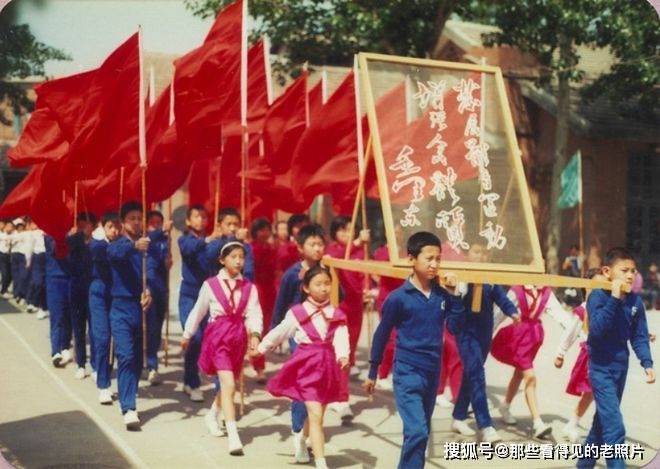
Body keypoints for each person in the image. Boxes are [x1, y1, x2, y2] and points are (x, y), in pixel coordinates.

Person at [364, 231, 463, 469]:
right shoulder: (398, 298)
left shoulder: (442, 295)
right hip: (407, 372)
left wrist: (455, 296)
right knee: (417, 431)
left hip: (432, 371)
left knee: (420, 433)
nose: (434, 264)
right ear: (411, 259)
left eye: (438, 259)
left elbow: (456, 327)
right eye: (428, 258)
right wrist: (373, 369)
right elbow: (382, 333)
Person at [257, 265, 350, 469]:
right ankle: (321, 461)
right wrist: (261, 347)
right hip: (306, 368)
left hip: (327, 367)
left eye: (327, 283)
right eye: (318, 284)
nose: (324, 288)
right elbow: (280, 331)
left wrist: (343, 355)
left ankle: (301, 437)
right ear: (306, 288)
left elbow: (342, 335)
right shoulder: (297, 313)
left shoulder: (336, 313)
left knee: (318, 412)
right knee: (316, 414)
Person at [577, 247, 655, 469]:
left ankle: (583, 465)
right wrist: (614, 299)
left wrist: (647, 363)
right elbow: (597, 331)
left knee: (602, 424)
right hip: (600, 369)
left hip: (620, 368)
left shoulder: (635, 302)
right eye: (625, 270)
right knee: (615, 427)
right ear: (607, 271)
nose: (630, 275)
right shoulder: (598, 297)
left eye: (633, 270)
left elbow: (639, 335)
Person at [182, 241, 262, 455]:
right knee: (228, 383)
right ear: (222, 260)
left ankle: (212, 415)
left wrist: (255, 334)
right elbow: (198, 310)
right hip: (218, 337)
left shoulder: (249, 287)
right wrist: (187, 334)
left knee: (230, 384)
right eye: (233, 256)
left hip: (238, 339)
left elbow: (255, 313)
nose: (238, 261)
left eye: (241, 257)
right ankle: (234, 434)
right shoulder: (211, 285)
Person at [450, 246, 520, 442]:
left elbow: (502, 298)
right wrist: (457, 290)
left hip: (484, 334)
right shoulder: (461, 277)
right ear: (467, 255)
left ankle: (458, 417)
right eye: (476, 252)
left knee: (471, 373)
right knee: (477, 375)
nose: (480, 256)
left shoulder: (489, 278)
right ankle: (486, 425)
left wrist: (513, 312)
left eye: (483, 253)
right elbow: (451, 301)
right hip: (466, 333)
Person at [271, 223, 326, 464]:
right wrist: (273, 337)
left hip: (323, 339)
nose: (318, 248)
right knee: (302, 389)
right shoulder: (291, 275)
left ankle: (310, 435)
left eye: (320, 244)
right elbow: (280, 306)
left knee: (319, 389)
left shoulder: (326, 271)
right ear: (300, 248)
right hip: (299, 338)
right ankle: (298, 438)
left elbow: (339, 297)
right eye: (312, 244)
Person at [490, 283, 569, 439]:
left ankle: (505, 406)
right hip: (519, 337)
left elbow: (561, 315)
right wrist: (487, 333)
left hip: (533, 338)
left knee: (520, 374)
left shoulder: (546, 291)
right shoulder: (517, 289)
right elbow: (500, 313)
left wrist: (579, 333)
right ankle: (537, 422)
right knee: (530, 377)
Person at [107, 201, 154, 430]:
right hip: (120, 307)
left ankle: (128, 392)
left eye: (139, 218)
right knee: (124, 356)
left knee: (136, 359)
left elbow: (151, 272)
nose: (136, 222)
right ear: (123, 222)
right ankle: (129, 406)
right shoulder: (119, 244)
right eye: (132, 218)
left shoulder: (145, 247)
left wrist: (148, 291)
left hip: (139, 307)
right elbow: (115, 254)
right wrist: (135, 246)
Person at [178, 204, 223, 402]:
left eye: (204, 217)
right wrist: (208, 239)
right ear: (188, 221)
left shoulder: (213, 242)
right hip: (189, 296)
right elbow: (190, 250)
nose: (201, 220)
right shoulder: (184, 240)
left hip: (209, 296)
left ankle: (197, 379)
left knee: (206, 339)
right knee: (194, 337)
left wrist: (221, 239)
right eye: (197, 216)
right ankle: (192, 382)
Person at [89, 212, 121, 405]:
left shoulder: (121, 242)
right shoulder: (97, 243)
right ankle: (103, 385)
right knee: (102, 338)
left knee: (114, 341)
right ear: (103, 226)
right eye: (111, 226)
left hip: (117, 294)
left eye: (118, 226)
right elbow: (103, 252)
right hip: (99, 293)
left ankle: (106, 374)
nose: (115, 231)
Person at [67, 212, 96, 380]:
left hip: (92, 290)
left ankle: (95, 364)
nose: (84, 227)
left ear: (93, 226)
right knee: (78, 328)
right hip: (76, 288)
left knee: (94, 330)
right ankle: (80, 363)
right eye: (80, 224)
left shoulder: (97, 244)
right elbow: (65, 249)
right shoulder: (73, 241)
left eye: (87, 224)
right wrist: (74, 234)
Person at [145, 210, 173, 385]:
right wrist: (161, 229)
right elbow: (150, 240)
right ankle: (147, 362)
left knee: (156, 329)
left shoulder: (165, 240)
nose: (156, 225)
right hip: (147, 287)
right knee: (145, 327)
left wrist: (168, 262)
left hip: (161, 288)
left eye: (159, 222)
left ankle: (152, 364)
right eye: (152, 222)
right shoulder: (145, 238)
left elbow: (165, 262)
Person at [249, 217, 277, 383]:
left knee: (264, 329)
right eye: (261, 229)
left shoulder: (272, 248)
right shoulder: (251, 248)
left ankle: (257, 360)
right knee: (256, 329)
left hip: (270, 291)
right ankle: (259, 367)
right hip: (256, 290)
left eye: (267, 229)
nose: (265, 232)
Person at [45, 234, 73, 367]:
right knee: (57, 316)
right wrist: (66, 238)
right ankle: (55, 350)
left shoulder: (74, 232)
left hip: (71, 278)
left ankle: (65, 346)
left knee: (69, 315)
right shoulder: (49, 234)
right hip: (55, 279)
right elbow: (55, 249)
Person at [205, 208, 254, 281]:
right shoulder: (214, 243)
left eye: (236, 224)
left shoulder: (245, 245)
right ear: (219, 226)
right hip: (217, 286)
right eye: (229, 224)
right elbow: (209, 256)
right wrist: (234, 238)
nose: (232, 228)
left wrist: (246, 287)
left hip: (239, 284)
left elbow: (248, 270)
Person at [26, 221, 48, 319]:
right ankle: (32, 302)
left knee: (45, 284)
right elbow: (29, 247)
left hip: (48, 257)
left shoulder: (51, 232)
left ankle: (43, 307)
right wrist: (28, 260)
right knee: (37, 282)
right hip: (38, 257)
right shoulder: (35, 233)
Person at [9, 218, 30, 306]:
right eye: (18, 226)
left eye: (21, 226)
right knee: (15, 276)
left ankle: (22, 294)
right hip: (14, 255)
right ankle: (16, 294)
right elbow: (9, 243)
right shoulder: (13, 234)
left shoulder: (26, 234)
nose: (20, 228)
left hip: (22, 255)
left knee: (23, 275)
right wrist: (13, 241)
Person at [0, 221, 13, 298]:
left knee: (10, 274)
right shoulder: (2, 235)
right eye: (8, 226)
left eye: (11, 226)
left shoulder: (13, 235)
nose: (9, 228)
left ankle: (4, 288)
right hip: (1, 254)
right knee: (5, 273)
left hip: (9, 256)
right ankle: (3, 290)